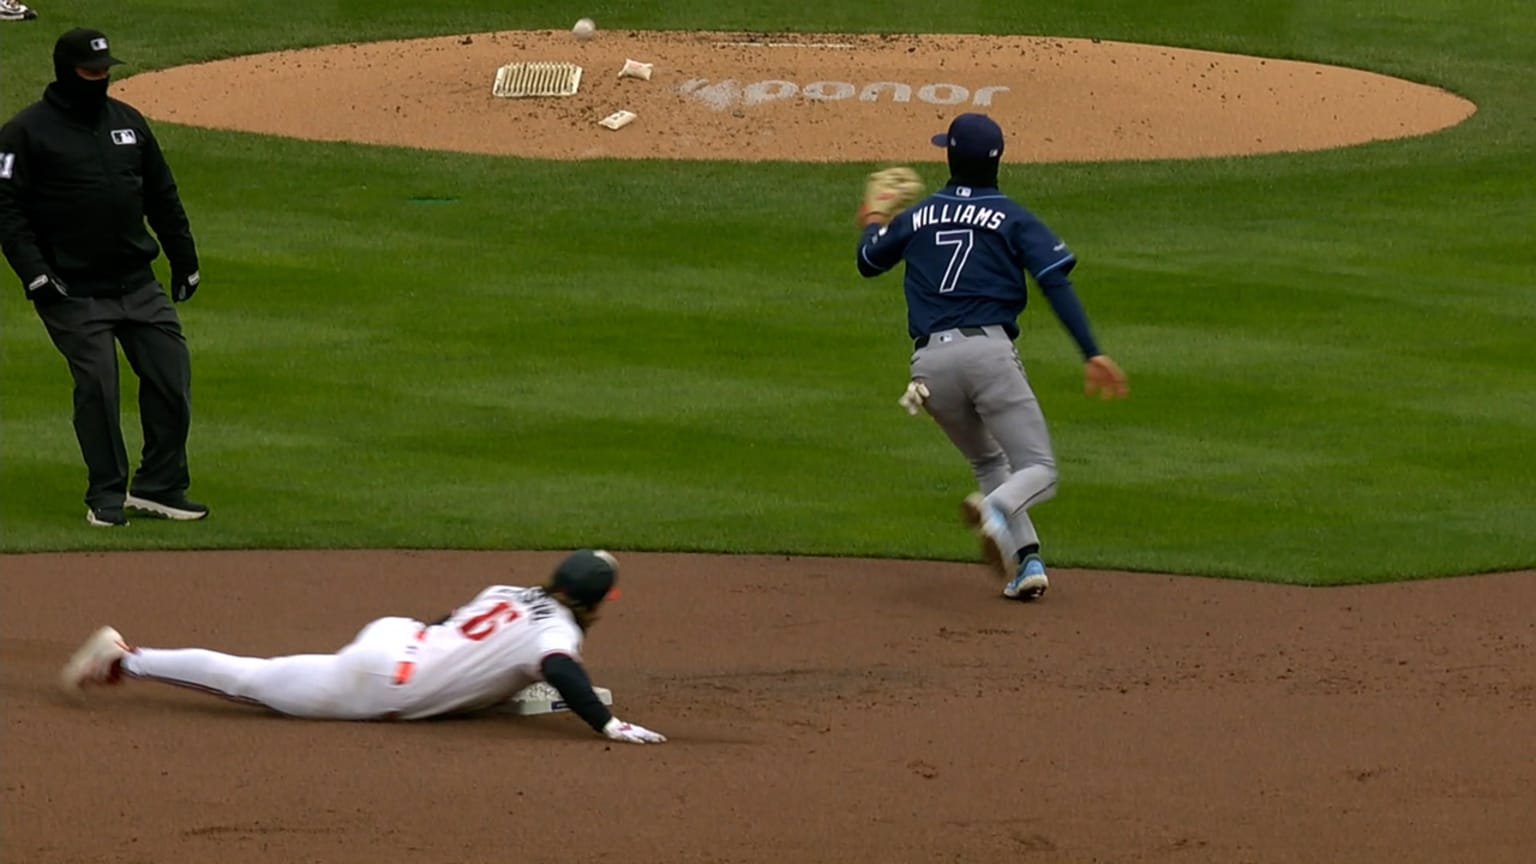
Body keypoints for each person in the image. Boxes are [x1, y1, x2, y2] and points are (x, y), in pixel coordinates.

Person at [855, 112, 1130, 602]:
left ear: (949, 156)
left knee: (988, 458)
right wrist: (1092, 351)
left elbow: (868, 261)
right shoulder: (1012, 215)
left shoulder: (917, 217)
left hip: (928, 372)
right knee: (1039, 470)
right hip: (988, 354)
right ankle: (995, 508)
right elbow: (1054, 280)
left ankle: (1026, 562)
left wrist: (873, 218)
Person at [58, 549, 668, 744]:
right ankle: (124, 659)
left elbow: (455, 622)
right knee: (252, 682)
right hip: (382, 680)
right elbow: (561, 666)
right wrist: (607, 723)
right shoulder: (557, 635)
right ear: (591, 602)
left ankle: (128, 659)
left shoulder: (510, 589)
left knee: (270, 675)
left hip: (402, 636)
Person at [0, 28, 206, 527]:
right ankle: (106, 494)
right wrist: (36, 276)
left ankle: (159, 486)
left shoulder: (128, 124)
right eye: (90, 72)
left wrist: (184, 259)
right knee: (98, 386)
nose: (100, 80)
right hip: (71, 290)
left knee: (170, 375)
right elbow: (6, 210)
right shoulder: (25, 133)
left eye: (105, 72)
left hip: (136, 282)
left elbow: (162, 194)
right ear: (65, 72)